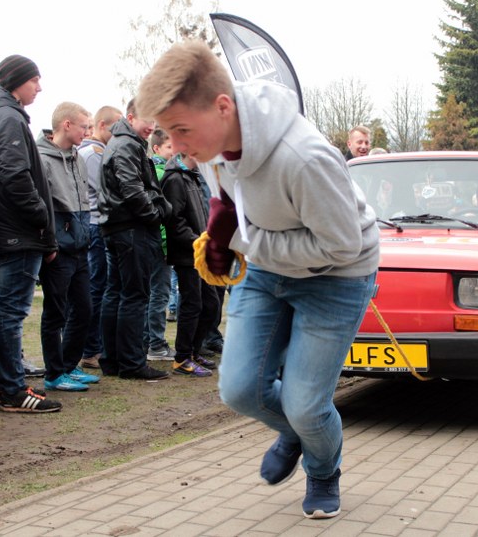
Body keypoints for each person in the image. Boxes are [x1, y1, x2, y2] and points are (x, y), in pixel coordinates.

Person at [137, 40, 380, 519]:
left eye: (181, 130)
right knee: (239, 389)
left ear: (223, 107)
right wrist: (221, 233)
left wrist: (243, 242)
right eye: (167, 132)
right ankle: (296, 431)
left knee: (306, 404)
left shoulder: (304, 157)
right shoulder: (211, 144)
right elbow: (230, 199)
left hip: (337, 275)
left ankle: (322, 469)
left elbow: (341, 246)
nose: (177, 146)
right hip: (268, 269)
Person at [0, 55, 62, 413]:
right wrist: (41, 217)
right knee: (10, 313)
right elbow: (14, 175)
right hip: (18, 232)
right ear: (17, 80)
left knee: (3, 310)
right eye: (34, 80)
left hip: (8, 231)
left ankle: (5, 385)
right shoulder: (8, 117)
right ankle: (12, 390)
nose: (39, 87)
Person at [97, 99, 171, 380]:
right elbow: (132, 189)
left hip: (118, 226)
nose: (151, 127)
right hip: (130, 228)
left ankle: (113, 360)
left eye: (154, 122)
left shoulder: (121, 142)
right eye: (147, 120)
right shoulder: (127, 144)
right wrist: (154, 215)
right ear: (130, 118)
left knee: (116, 292)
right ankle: (130, 362)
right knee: (134, 295)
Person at [36, 102, 100, 391]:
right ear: (67, 125)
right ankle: (53, 374)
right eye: (84, 126)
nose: (87, 132)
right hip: (58, 249)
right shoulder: (41, 158)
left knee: (84, 308)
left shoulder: (78, 157)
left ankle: (68, 364)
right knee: (55, 312)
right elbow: (40, 204)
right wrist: (49, 243)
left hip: (80, 245)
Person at [160, 153, 219, 376]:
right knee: (192, 304)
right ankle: (182, 358)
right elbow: (174, 220)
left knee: (210, 304)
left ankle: (193, 351)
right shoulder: (175, 179)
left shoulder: (191, 176)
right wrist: (197, 241)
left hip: (200, 252)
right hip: (187, 253)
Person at [77, 105, 123, 370]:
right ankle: (92, 348)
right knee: (98, 287)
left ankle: (94, 346)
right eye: (115, 125)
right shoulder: (94, 154)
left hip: (93, 224)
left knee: (98, 286)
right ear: (102, 125)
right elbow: (105, 190)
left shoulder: (92, 151)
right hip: (96, 224)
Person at [145, 129, 176, 360]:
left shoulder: (159, 171)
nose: (173, 151)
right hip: (160, 244)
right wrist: (166, 243)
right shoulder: (160, 173)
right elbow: (162, 215)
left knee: (155, 293)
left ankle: (150, 340)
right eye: (168, 147)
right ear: (156, 148)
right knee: (159, 294)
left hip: (155, 242)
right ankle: (155, 343)